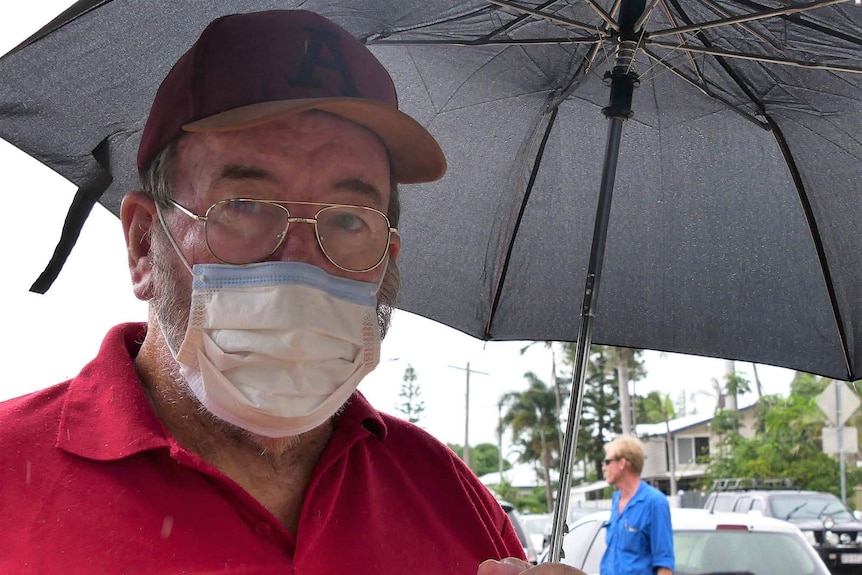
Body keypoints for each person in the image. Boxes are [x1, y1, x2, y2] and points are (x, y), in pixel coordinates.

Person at [0, 9, 582, 575]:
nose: (301, 260)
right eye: (246, 205)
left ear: (388, 259)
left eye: (350, 220)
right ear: (143, 245)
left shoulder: (450, 498)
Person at [600, 436, 675, 575]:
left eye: (607, 462)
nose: (604, 468)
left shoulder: (654, 502)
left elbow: (664, 564)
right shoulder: (616, 500)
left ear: (622, 463)